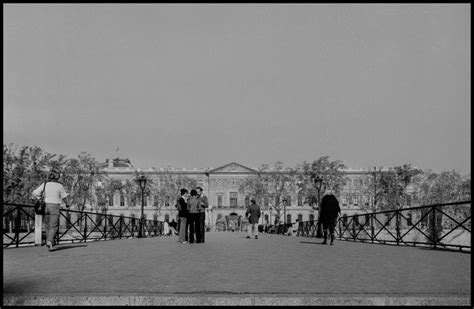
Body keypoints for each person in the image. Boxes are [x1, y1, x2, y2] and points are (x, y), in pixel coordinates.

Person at [32, 169, 69, 251]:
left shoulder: (45, 184)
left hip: (45, 206)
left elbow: (34, 193)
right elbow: (64, 197)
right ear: (57, 177)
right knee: (54, 226)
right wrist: (67, 204)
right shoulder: (59, 186)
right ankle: (49, 241)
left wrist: (40, 199)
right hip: (54, 206)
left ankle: (49, 243)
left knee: (48, 225)